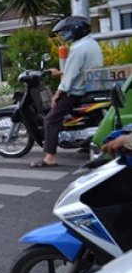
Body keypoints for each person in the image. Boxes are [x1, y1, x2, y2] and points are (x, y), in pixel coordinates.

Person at [31, 16, 103, 167]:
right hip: (90, 87)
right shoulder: (91, 43)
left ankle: (49, 157)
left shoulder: (77, 48)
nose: (65, 35)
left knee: (50, 119)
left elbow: (70, 77)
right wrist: (59, 72)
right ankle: (84, 144)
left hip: (77, 91)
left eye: (67, 31)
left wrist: (58, 93)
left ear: (76, 30)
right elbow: (78, 69)